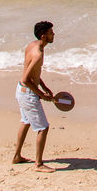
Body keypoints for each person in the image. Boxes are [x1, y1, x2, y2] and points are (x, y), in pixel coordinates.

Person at [12, 20, 58, 172]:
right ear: (44, 36)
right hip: (28, 93)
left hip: (21, 91)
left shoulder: (33, 45)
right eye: (51, 32)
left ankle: (17, 156)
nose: (54, 34)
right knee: (43, 128)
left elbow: (33, 74)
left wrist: (44, 87)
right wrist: (40, 94)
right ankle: (38, 164)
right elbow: (26, 79)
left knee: (26, 121)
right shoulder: (37, 53)